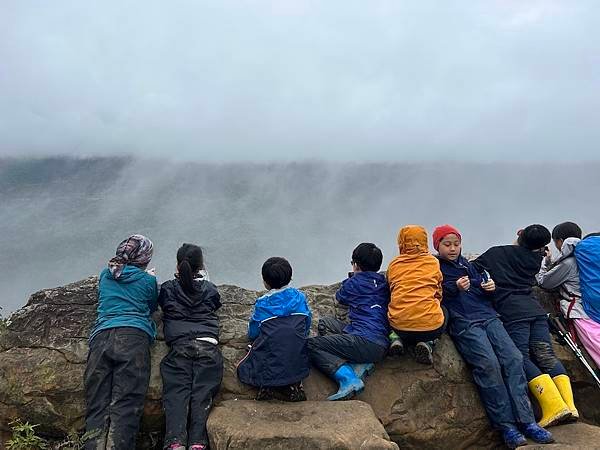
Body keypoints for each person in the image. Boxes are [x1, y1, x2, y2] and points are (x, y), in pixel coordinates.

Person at [434, 225, 553, 448]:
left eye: (456, 244)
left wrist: (489, 287)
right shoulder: (434, 267)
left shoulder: (467, 265)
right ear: (437, 245)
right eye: (446, 244)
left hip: (489, 316)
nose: (453, 249)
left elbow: (479, 286)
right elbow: (433, 292)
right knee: (488, 365)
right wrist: (453, 288)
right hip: (464, 322)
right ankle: (507, 425)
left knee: (514, 359)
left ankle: (527, 421)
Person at [473, 225, 575, 427]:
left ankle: (554, 406)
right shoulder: (535, 260)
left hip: (513, 312)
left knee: (521, 357)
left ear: (520, 236)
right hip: (536, 311)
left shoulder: (497, 253)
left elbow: (474, 268)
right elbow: (523, 251)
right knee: (546, 355)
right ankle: (570, 406)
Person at [84, 235, 158, 450]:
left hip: (101, 338)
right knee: (125, 405)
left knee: (97, 404)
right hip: (133, 338)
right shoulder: (147, 281)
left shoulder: (106, 274)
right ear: (144, 259)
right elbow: (152, 305)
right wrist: (149, 278)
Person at [158, 244, 223, 450]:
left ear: (178, 266)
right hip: (208, 347)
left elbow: (164, 302)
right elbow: (214, 302)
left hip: (180, 347)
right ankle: (198, 442)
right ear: (201, 266)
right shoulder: (210, 289)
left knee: (176, 394)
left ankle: (175, 442)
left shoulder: (168, 288)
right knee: (202, 395)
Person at [307, 243, 390, 400]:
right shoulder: (383, 283)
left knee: (311, 345)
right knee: (326, 323)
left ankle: (349, 379)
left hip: (364, 340)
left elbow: (340, 297)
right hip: (380, 342)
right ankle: (361, 363)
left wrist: (355, 276)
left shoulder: (353, 283)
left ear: (356, 265)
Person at [237, 257, 312, 401]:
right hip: (297, 360)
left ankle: (269, 386)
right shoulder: (300, 298)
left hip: (270, 361)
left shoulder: (263, 305)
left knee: (245, 366)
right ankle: (294, 384)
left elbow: (253, 333)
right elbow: (307, 325)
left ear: (265, 281)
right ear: (290, 278)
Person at [537, 222, 600, 368]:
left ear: (560, 241)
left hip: (582, 312)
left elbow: (544, 282)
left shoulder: (569, 263)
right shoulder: (589, 258)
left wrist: (544, 263)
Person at [387, 225, 446, 364]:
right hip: (430, 329)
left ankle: (396, 339)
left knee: (392, 307)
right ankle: (427, 343)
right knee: (445, 312)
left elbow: (391, 289)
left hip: (399, 326)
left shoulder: (394, 264)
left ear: (401, 242)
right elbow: (438, 292)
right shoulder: (433, 262)